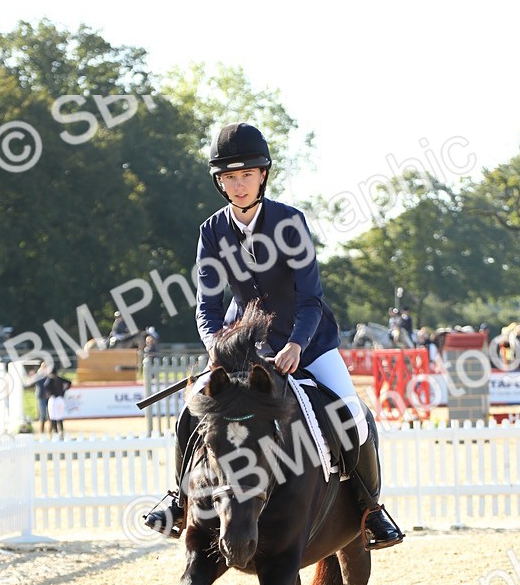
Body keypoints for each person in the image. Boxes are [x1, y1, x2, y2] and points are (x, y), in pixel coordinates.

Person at [146, 122, 403, 548]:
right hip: (242, 348)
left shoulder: (290, 222)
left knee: (351, 415)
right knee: (189, 413)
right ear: (219, 182)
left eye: (247, 174)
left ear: (262, 175)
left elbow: (310, 300)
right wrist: (216, 348)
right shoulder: (211, 231)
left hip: (309, 342)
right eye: (230, 176)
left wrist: (296, 345)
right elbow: (207, 306)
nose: (239, 184)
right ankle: (178, 499)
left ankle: (370, 509)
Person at [43, 366, 72, 439]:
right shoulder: (60, 379)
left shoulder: (49, 380)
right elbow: (69, 382)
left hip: (53, 399)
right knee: (60, 416)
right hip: (60, 399)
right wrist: (64, 389)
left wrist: (48, 393)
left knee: (53, 416)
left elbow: (46, 387)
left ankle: (55, 432)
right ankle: (61, 432)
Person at [31, 359, 52, 434]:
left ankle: (50, 431)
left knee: (50, 415)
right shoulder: (38, 376)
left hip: (48, 397)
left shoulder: (49, 376)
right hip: (41, 396)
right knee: (43, 415)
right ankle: (42, 431)